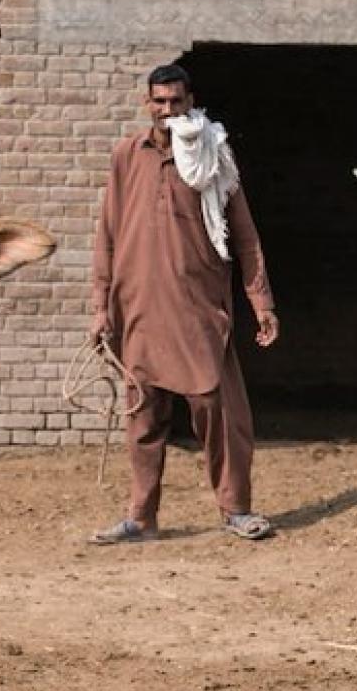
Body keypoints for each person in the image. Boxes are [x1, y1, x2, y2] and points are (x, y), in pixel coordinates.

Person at [87, 63, 279, 544]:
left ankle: (236, 509)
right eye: (159, 101)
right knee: (143, 415)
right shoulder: (127, 156)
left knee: (216, 408)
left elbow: (246, 238)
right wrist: (100, 305)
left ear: (190, 100)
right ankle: (140, 517)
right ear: (146, 103)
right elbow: (107, 235)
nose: (168, 110)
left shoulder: (214, 158)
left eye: (176, 101)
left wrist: (262, 303)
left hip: (197, 308)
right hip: (138, 308)